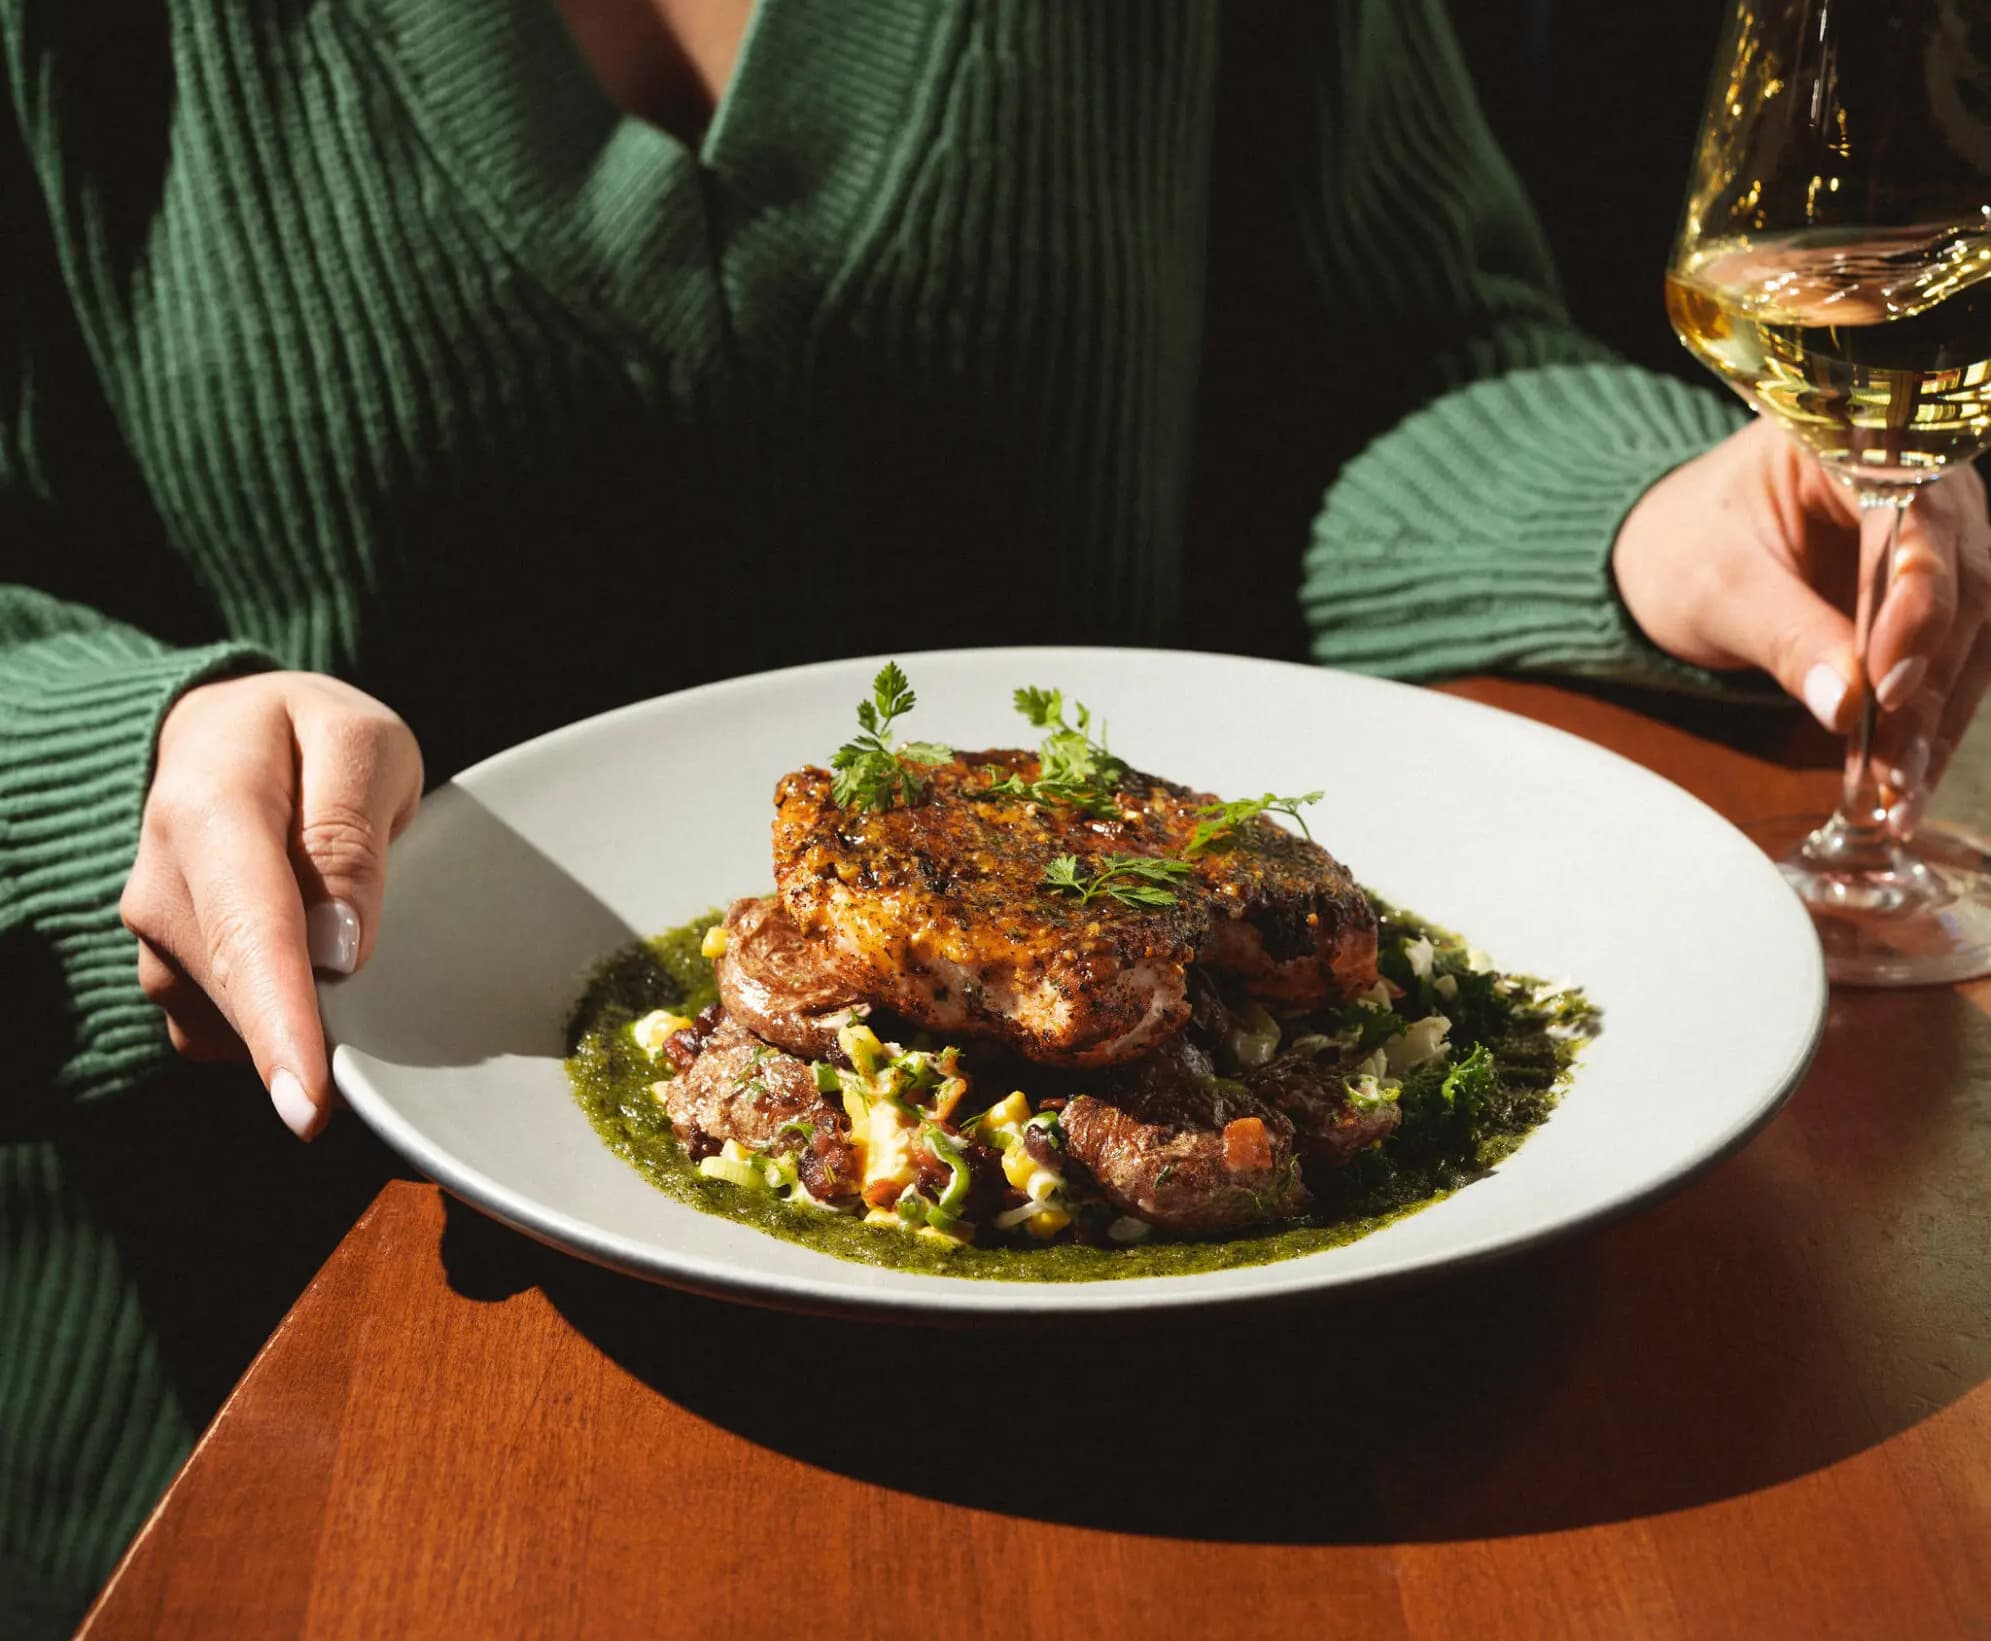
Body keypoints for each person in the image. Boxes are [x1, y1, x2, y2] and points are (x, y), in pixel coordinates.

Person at [3, 0, 1985, 1629]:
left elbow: (1393, 368)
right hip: (289, 1400)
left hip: (1275, 1427)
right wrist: (128, 753)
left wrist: (1640, 523)